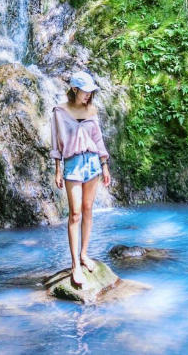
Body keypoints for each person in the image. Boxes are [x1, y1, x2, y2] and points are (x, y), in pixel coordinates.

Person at [50, 70, 112, 288]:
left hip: (93, 163)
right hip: (73, 165)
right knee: (74, 214)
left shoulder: (92, 110)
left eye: (91, 92)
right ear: (74, 89)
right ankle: (75, 264)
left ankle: (85, 254)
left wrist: (104, 165)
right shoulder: (59, 111)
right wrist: (58, 170)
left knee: (87, 209)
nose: (89, 95)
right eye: (85, 91)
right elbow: (56, 143)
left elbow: (98, 139)